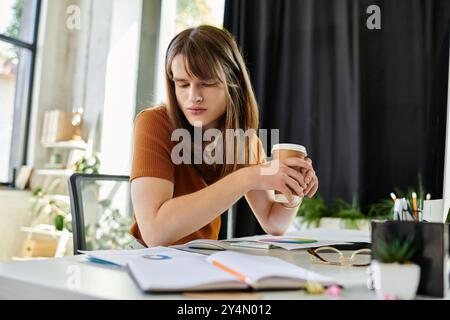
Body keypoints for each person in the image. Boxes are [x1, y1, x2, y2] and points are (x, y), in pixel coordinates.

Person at [130, 25, 319, 248]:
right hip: (150, 260)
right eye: (182, 84)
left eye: (207, 83)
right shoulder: (154, 123)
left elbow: (273, 222)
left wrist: (293, 189)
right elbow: (155, 232)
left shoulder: (243, 141)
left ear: (234, 83)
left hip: (201, 258)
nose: (193, 97)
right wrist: (248, 177)